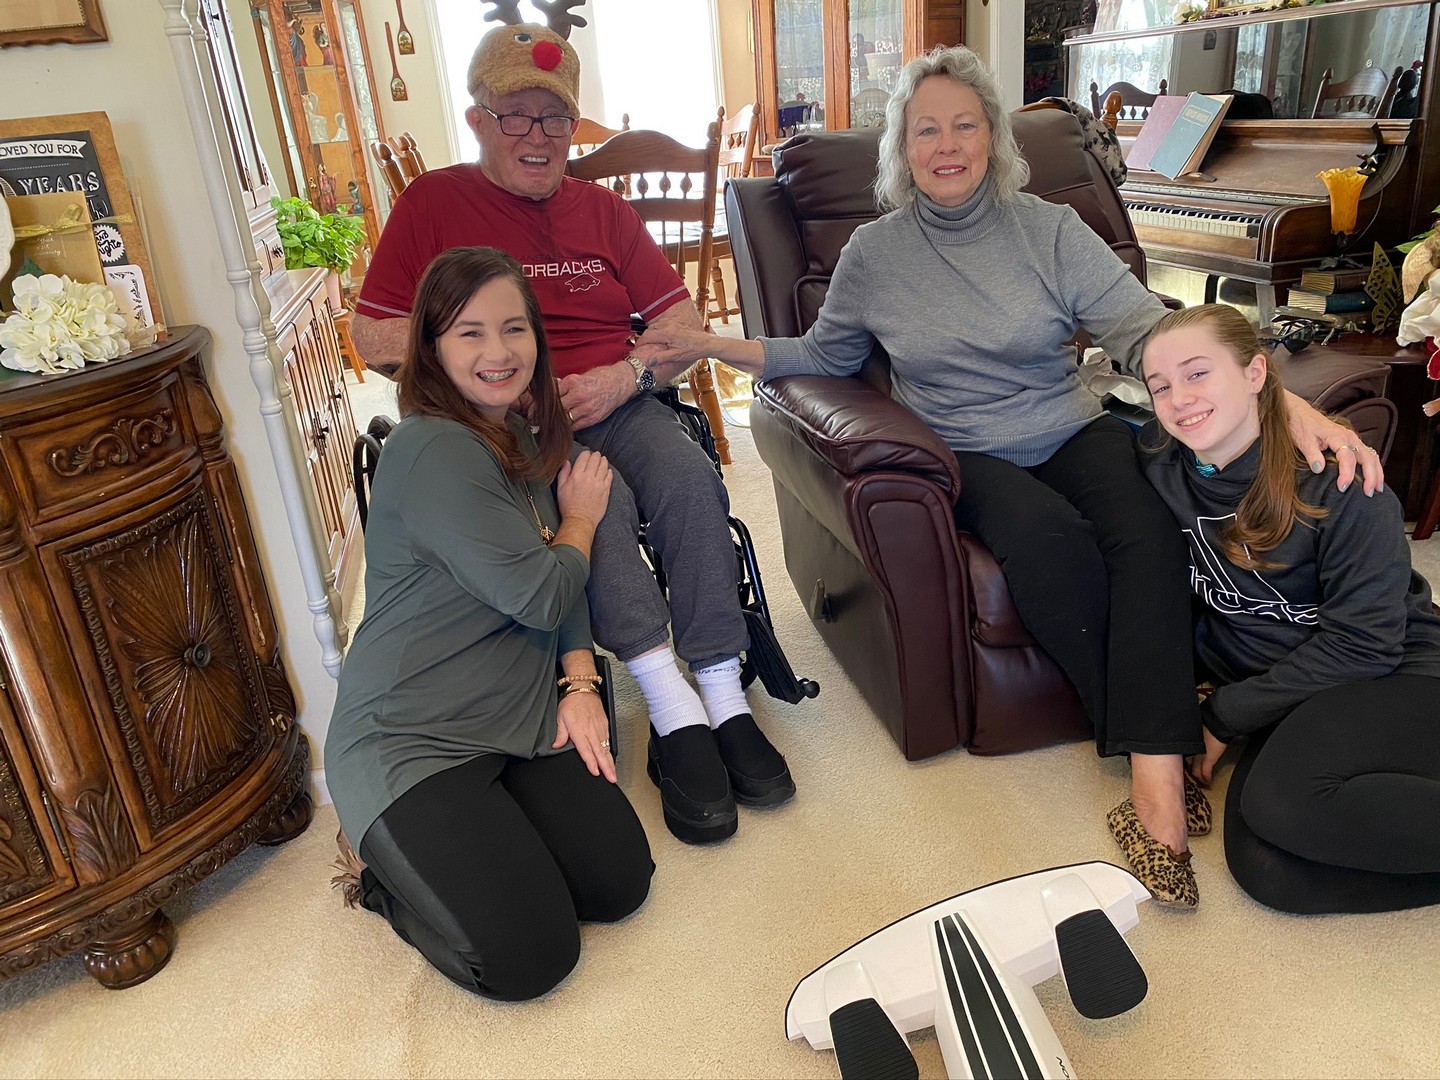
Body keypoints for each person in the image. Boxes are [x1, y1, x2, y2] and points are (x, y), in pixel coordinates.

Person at [641, 45, 1384, 907]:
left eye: (966, 125)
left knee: (1147, 532)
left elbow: (1145, 329)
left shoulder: (1049, 229)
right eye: (927, 130)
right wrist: (710, 345)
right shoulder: (875, 253)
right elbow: (822, 353)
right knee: (1047, 540)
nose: (947, 145)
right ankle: (1158, 774)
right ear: (903, 148)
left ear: (993, 137)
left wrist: (1281, 400)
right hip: (967, 448)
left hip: (1071, 422)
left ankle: (1163, 754)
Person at [348, 11, 795, 843]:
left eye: (554, 117)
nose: (538, 136)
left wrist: (625, 375)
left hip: (615, 398)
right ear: (478, 119)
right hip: (509, 423)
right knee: (600, 506)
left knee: (690, 476)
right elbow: (372, 336)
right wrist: (490, 377)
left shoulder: (605, 210)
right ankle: (669, 707)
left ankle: (721, 689)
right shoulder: (433, 201)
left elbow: (684, 323)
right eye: (516, 116)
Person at [326, 247, 655, 999]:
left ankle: (482, 840)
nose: (498, 351)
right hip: (411, 736)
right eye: (469, 333)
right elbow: (544, 590)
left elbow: (558, 583)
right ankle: (376, 876)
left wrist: (579, 684)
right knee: (530, 959)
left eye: (514, 328)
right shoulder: (432, 448)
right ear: (432, 348)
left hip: (517, 709)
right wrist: (582, 518)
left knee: (618, 884)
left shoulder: (517, 435)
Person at [1139, 304, 1440, 914]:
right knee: (1269, 871)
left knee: (1283, 803)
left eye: (1198, 374)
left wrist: (1223, 716)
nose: (1179, 399)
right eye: (1160, 386)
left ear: (1255, 373)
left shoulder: (1343, 484)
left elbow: (1366, 645)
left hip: (1396, 671)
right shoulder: (1157, 462)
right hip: (1296, 693)